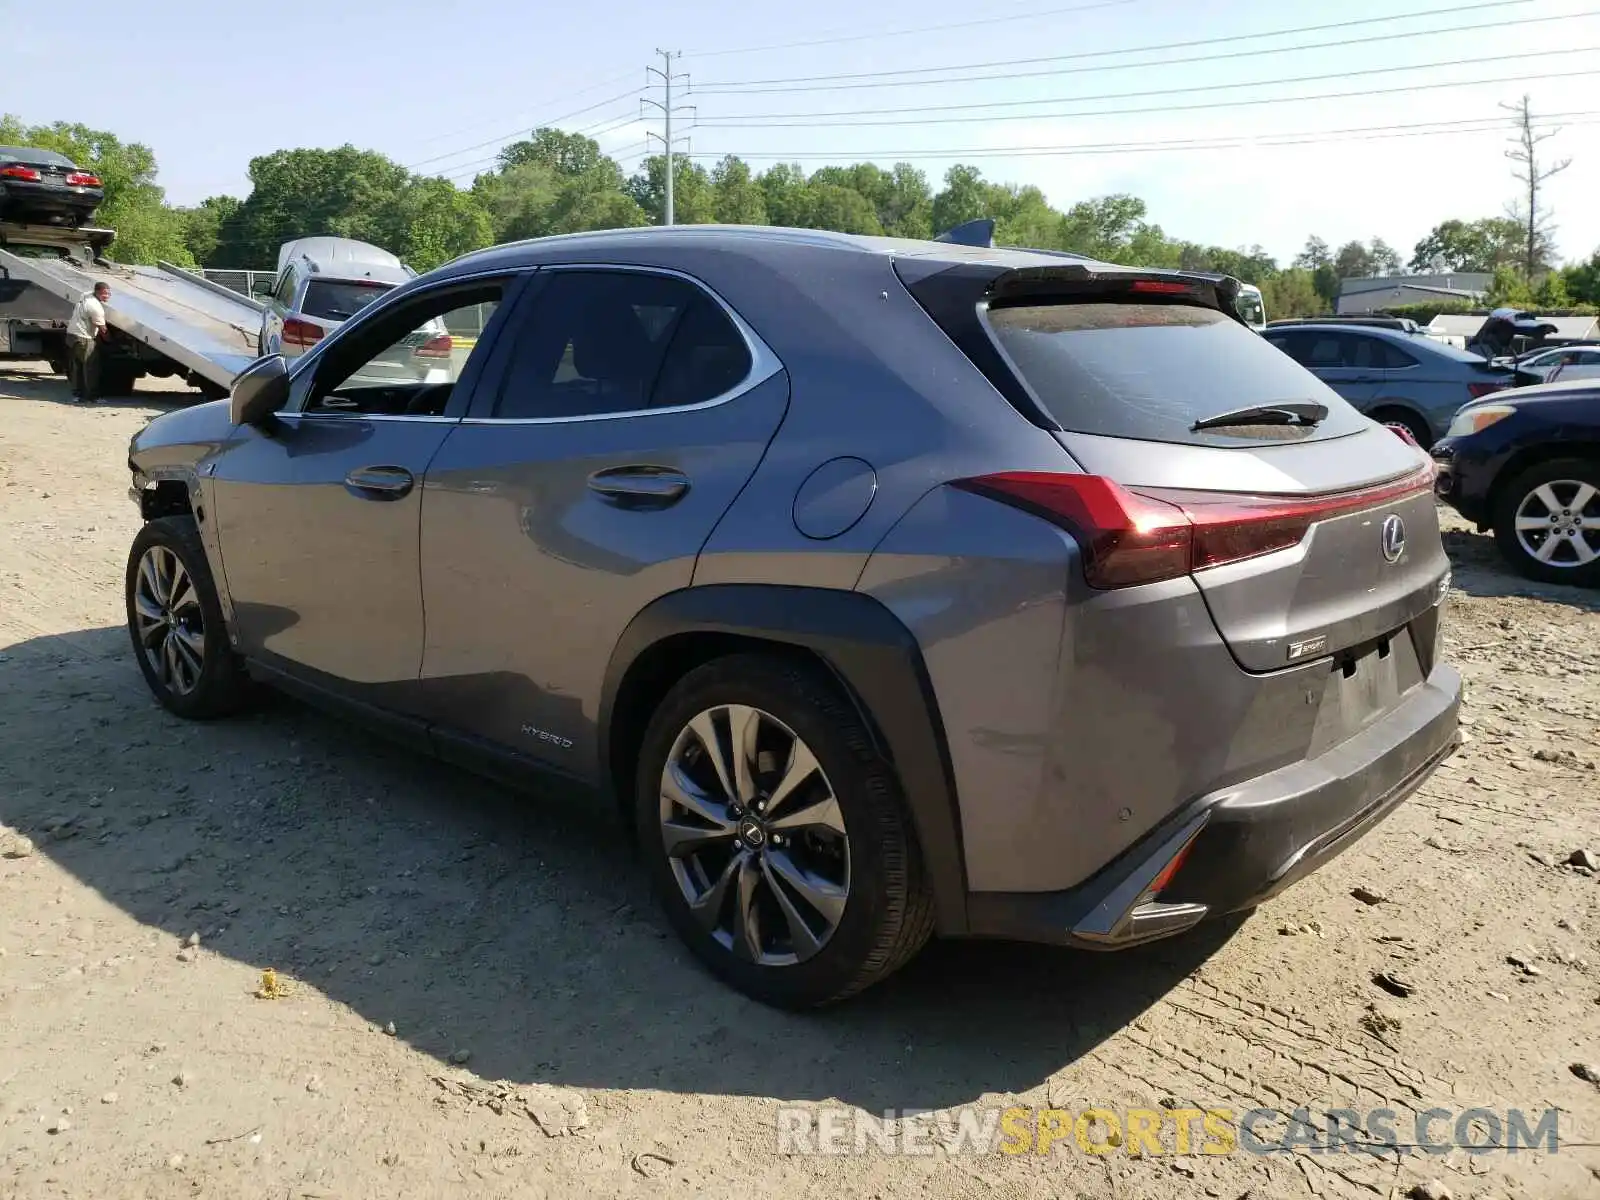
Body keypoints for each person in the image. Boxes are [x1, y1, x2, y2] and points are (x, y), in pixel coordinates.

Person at [66, 282, 110, 404]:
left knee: (77, 366)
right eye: (104, 294)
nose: (107, 296)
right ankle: (93, 397)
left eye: (108, 293)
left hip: (71, 335)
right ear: (97, 292)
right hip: (83, 337)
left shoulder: (86, 296)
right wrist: (109, 342)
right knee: (91, 366)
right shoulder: (95, 307)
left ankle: (77, 395)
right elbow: (103, 329)